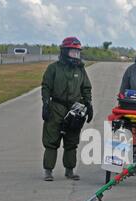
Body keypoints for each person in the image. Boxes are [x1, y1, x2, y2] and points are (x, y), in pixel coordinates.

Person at [41, 37, 93, 181]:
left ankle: (69, 170)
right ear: (65, 51)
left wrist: (89, 104)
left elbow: (86, 88)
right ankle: (48, 170)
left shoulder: (81, 70)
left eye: (77, 52)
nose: (76, 54)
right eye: (73, 51)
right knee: (52, 139)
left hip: (75, 109)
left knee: (72, 140)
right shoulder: (54, 68)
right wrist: (46, 104)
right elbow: (46, 87)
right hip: (56, 107)